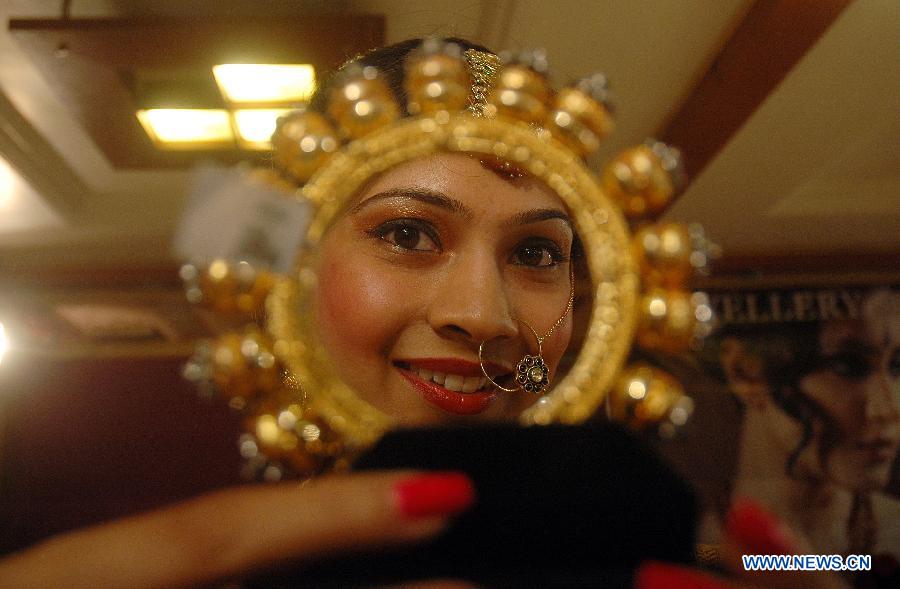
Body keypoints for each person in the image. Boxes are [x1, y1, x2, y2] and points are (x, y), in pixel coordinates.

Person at [0, 38, 842, 589]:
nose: (485, 315)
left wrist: (809, 560)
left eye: (538, 253)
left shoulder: (649, 524)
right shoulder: (157, 571)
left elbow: (825, 552)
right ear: (285, 280)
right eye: (407, 232)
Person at [720, 289, 899, 565]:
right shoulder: (697, 543)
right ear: (746, 371)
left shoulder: (892, 537)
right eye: (848, 365)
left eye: (897, 367)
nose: (889, 409)